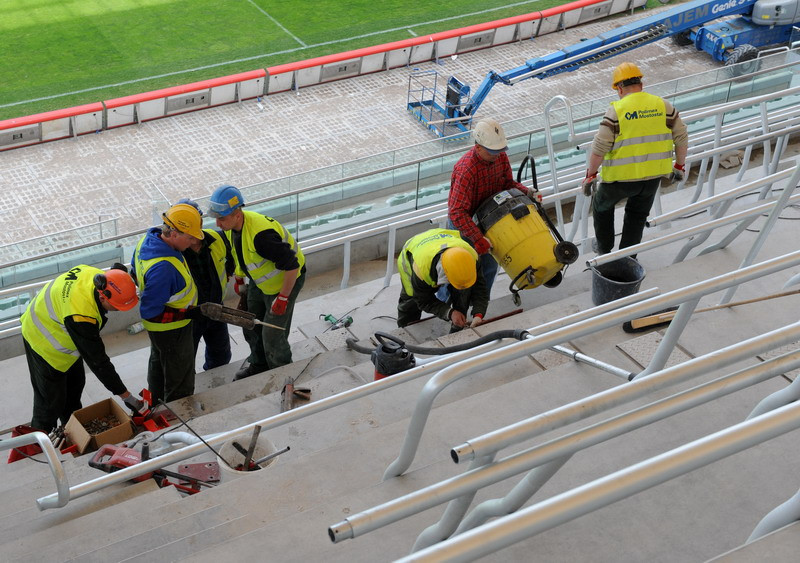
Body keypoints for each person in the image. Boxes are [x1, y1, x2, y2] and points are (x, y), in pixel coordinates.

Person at [20, 264, 143, 433]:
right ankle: (38, 444)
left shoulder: (101, 278)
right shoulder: (81, 315)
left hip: (63, 332)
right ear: (103, 298)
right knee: (50, 402)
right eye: (117, 307)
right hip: (43, 343)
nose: (118, 311)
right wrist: (126, 395)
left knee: (74, 388)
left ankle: (72, 431)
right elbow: (98, 362)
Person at [582, 62, 689, 255]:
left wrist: (590, 175)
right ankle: (628, 256)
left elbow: (599, 149)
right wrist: (679, 166)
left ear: (619, 89)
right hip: (652, 177)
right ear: (641, 85)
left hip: (619, 178)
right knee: (637, 215)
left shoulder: (617, 111)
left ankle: (605, 251)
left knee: (601, 207)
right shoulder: (663, 105)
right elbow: (681, 137)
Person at [207, 185, 306, 380]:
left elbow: (292, 266)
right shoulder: (232, 228)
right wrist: (239, 280)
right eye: (216, 218)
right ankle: (260, 364)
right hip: (259, 283)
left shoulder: (262, 236)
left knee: (273, 334)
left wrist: (283, 298)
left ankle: (284, 376)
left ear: (237, 213)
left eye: (221, 218)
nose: (217, 223)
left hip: (284, 283)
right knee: (249, 323)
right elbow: (237, 253)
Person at [448, 118, 539, 292]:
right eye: (492, 152)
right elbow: (457, 213)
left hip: (489, 221)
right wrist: (477, 237)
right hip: (464, 224)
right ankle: (450, 307)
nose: (496, 155)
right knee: (459, 271)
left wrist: (526, 192)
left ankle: (480, 306)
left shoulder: (500, 157)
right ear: (478, 147)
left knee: (489, 267)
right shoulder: (466, 170)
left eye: (500, 150)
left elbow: (507, 184)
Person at [130, 202, 202, 404]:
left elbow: (135, 273)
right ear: (174, 234)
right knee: (180, 375)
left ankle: (155, 401)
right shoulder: (163, 269)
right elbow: (151, 312)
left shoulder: (146, 240)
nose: (194, 241)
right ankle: (178, 413)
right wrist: (186, 314)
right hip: (172, 329)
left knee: (159, 361)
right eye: (190, 237)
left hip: (159, 331)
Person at [176, 199, 235, 371]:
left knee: (221, 355)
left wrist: (229, 275)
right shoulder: (175, 251)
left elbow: (230, 260)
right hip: (190, 316)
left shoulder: (217, 238)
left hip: (216, 308)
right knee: (185, 362)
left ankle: (214, 382)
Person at [396, 228, 489, 331]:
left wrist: (479, 314)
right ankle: (404, 330)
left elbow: (480, 287)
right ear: (445, 275)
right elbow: (423, 300)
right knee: (411, 299)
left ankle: (458, 323)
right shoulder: (421, 271)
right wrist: (449, 312)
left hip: (441, 239)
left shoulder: (472, 258)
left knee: (463, 292)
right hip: (414, 251)